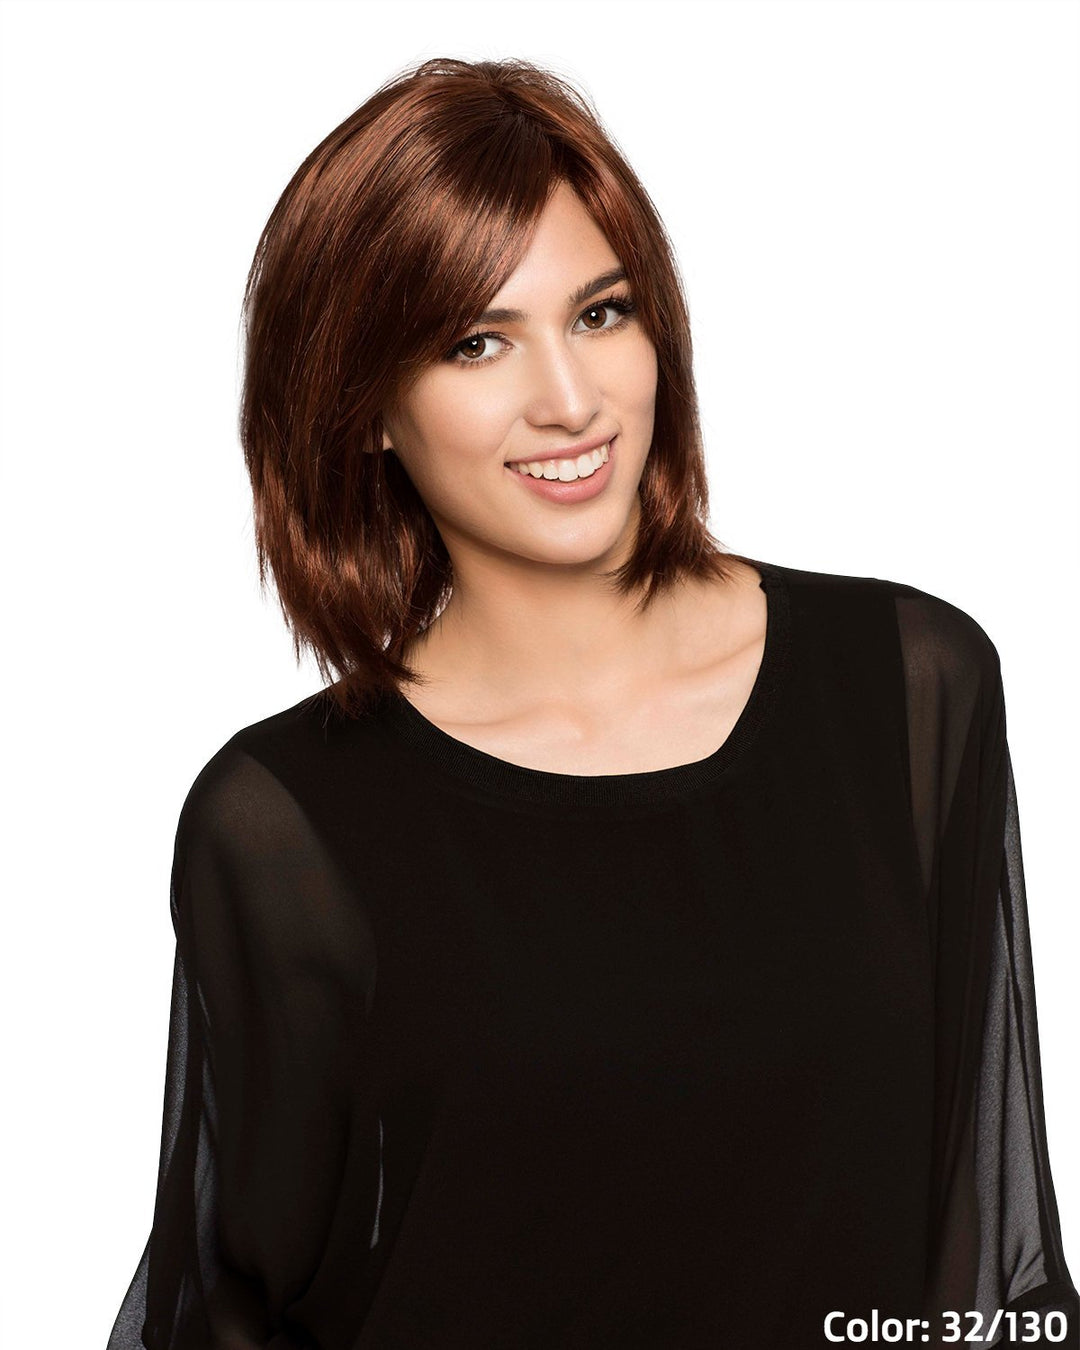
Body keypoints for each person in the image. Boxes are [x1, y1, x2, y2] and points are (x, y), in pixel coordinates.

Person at [106, 56, 1077, 1350]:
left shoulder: (909, 687)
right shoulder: (286, 824)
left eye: (601, 313)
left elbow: (989, 1266)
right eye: (476, 342)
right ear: (365, 409)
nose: (570, 401)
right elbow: (231, 1307)